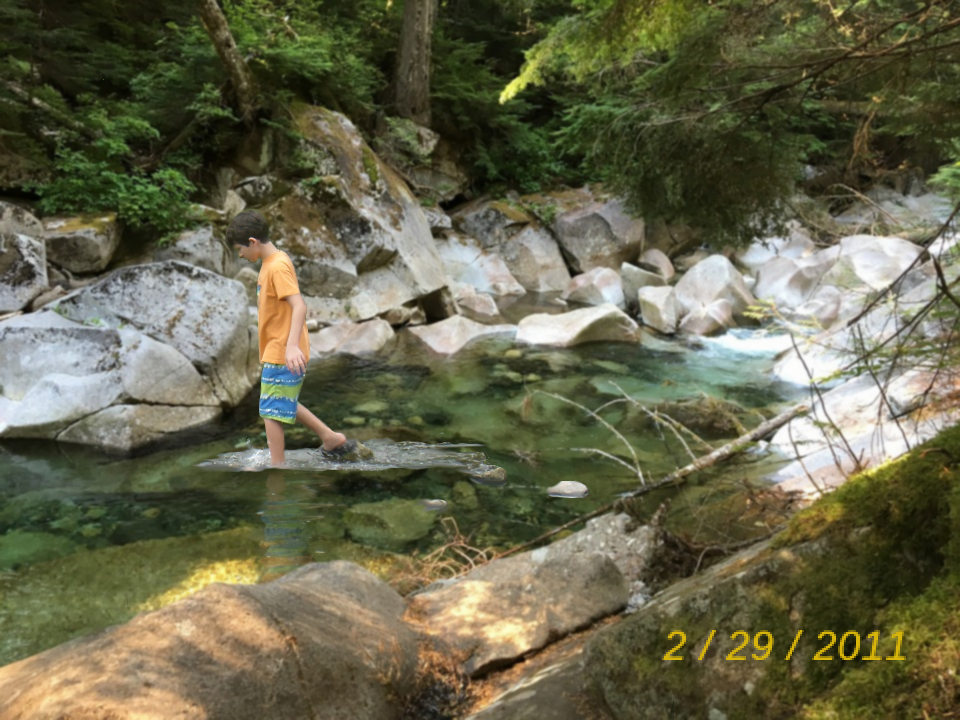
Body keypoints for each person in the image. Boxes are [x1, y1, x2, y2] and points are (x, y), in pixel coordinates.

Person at [228, 209, 366, 466]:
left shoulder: (277, 267)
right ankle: (330, 438)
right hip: (277, 347)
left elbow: (299, 306)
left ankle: (277, 466)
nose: (240, 255)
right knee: (280, 400)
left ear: (253, 242)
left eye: (240, 249)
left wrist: (291, 347)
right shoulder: (273, 262)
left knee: (270, 410)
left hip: (283, 349)